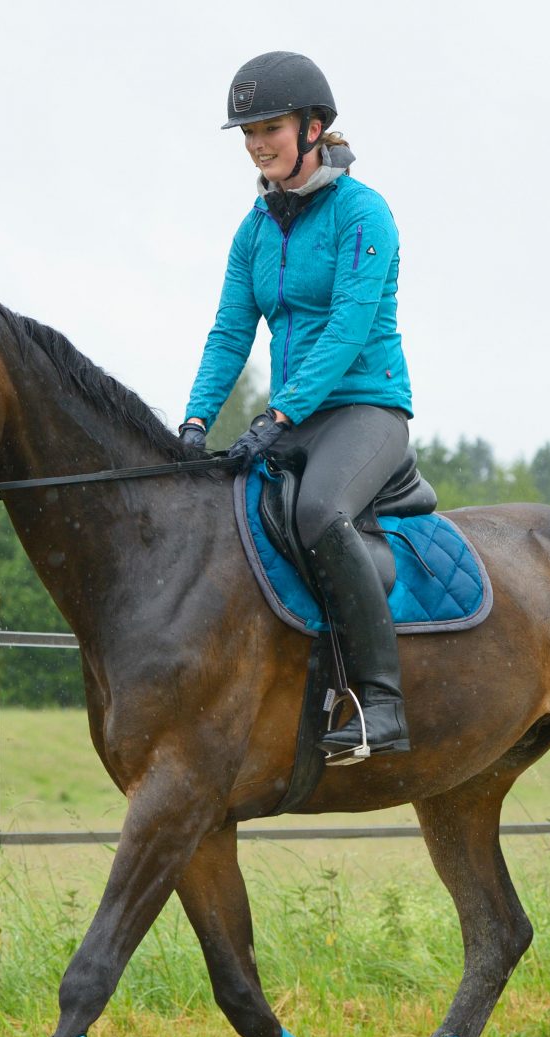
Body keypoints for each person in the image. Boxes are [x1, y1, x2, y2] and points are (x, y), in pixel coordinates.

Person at [181, 50, 416, 762]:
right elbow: (228, 334)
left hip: (366, 411)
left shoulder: (363, 212)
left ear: (314, 127)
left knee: (318, 512)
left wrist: (277, 415)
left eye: (270, 127)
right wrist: (193, 423)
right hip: (295, 417)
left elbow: (348, 329)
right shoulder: (254, 230)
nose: (257, 143)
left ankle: (381, 705)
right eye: (247, 132)